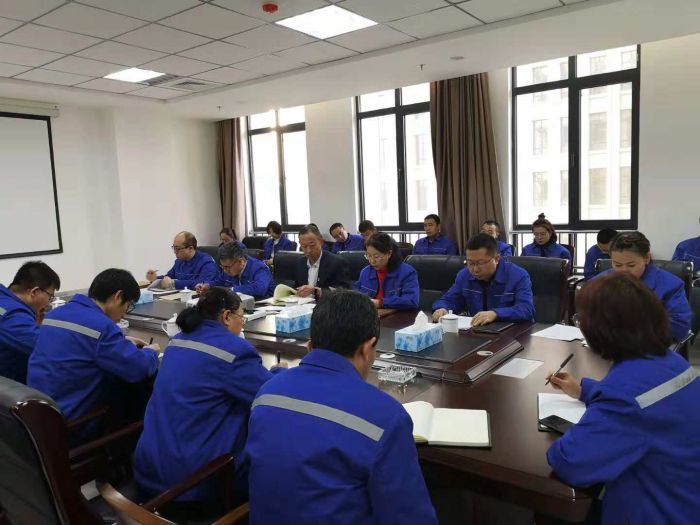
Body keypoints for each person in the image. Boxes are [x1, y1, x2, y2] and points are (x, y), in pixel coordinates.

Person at [243, 290, 438, 525]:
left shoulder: (267, 392)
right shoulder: (385, 416)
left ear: (310, 345)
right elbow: (409, 516)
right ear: (368, 347)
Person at [546, 272, 700, 525]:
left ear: (600, 330)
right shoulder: (671, 361)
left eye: (580, 319)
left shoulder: (625, 394)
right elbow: (648, 401)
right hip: (686, 496)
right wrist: (584, 391)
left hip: (659, 513)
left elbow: (571, 463)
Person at [134, 288, 281, 507]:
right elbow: (270, 395)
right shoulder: (234, 351)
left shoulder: (177, 340)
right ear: (226, 316)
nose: (242, 324)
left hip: (149, 467)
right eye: (241, 317)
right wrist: (279, 371)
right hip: (193, 481)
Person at [27, 269, 160, 421]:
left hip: (38, 413)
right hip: (72, 423)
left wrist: (122, 340)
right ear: (118, 296)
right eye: (128, 306)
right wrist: (150, 352)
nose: (124, 314)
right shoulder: (102, 327)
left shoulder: (55, 314)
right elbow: (139, 368)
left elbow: (81, 341)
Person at [601, 231, 691, 341]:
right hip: (608, 341)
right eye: (617, 265)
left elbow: (680, 328)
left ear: (647, 258)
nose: (624, 271)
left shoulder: (671, 285)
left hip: (648, 343)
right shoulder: (602, 281)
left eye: (631, 265)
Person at [432, 233, 535, 326]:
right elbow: (450, 299)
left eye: (480, 263)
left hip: (513, 333)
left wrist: (496, 314)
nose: (475, 269)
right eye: (470, 263)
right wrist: (442, 308)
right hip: (477, 331)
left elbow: (526, 309)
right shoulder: (464, 275)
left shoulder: (518, 275)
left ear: (496, 259)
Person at [0, 261, 60, 384]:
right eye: (50, 297)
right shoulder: (13, 315)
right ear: (34, 292)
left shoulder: (3, 300)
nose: (48, 303)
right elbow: (45, 347)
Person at [353, 232, 419, 310]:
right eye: (369, 256)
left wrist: (380, 303)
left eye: (376, 256)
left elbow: (412, 301)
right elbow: (355, 294)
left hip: (398, 315)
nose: (372, 261)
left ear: (389, 253)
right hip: (369, 314)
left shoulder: (407, 272)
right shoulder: (365, 272)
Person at [197, 243, 274, 300]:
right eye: (222, 267)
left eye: (227, 267)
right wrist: (208, 286)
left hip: (262, 306)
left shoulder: (259, 268)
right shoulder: (228, 269)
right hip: (239, 304)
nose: (225, 270)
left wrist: (231, 290)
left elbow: (259, 289)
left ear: (241, 261)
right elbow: (220, 281)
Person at [292, 224, 351, 298]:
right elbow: (296, 287)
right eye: (304, 246)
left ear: (321, 241)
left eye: (312, 245)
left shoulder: (337, 262)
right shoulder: (300, 263)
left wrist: (317, 291)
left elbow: (344, 291)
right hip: (303, 303)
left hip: (326, 304)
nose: (308, 250)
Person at [146, 231, 218, 290]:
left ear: (190, 248)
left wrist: (174, 283)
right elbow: (169, 277)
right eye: (174, 248)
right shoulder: (179, 261)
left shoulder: (207, 262)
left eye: (178, 248)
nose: (175, 252)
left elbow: (202, 284)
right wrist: (155, 278)